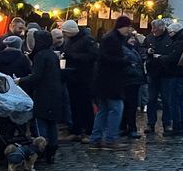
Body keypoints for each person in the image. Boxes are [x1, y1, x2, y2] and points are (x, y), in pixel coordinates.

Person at [16, 30, 63, 163]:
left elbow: (37, 77)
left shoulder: (40, 55)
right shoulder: (52, 55)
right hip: (55, 92)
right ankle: (52, 151)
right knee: (52, 122)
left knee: (40, 120)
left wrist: (21, 80)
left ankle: (40, 149)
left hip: (43, 92)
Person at [90, 16, 132, 150]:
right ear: (122, 26)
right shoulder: (113, 40)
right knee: (116, 108)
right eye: (128, 27)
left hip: (103, 81)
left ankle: (96, 139)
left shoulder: (110, 38)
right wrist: (125, 61)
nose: (129, 30)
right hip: (111, 82)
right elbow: (109, 59)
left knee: (103, 110)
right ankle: (110, 139)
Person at [60, 20, 98, 144]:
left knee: (85, 105)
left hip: (85, 77)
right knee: (74, 105)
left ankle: (88, 131)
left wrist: (73, 56)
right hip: (72, 77)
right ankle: (76, 131)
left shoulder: (87, 40)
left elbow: (93, 56)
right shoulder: (70, 40)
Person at [162, 22, 183, 136]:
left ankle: (178, 127)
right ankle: (181, 126)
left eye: (170, 32)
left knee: (175, 102)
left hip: (178, 74)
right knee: (180, 101)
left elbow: (174, 58)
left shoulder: (180, 42)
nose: (169, 35)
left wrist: (161, 58)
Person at [144, 19, 171, 134]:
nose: (153, 31)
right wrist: (147, 51)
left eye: (155, 29)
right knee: (151, 100)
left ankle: (167, 123)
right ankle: (151, 123)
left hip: (165, 73)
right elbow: (142, 49)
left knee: (166, 100)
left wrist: (162, 57)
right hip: (153, 73)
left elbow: (172, 54)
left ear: (162, 28)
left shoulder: (169, 38)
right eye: (152, 28)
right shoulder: (149, 38)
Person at [120, 34, 146, 139]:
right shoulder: (126, 50)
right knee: (129, 105)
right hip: (129, 81)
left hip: (133, 81)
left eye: (134, 38)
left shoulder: (132, 50)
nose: (133, 40)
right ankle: (129, 128)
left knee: (130, 105)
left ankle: (127, 127)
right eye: (131, 38)